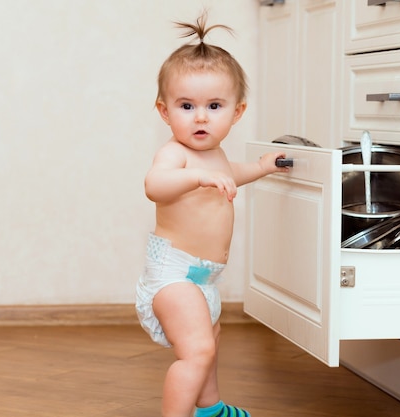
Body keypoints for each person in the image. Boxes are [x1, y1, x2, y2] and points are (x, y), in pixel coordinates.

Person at [135, 12, 289, 417]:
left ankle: (210, 408)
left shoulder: (214, 155)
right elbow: (155, 185)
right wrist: (196, 177)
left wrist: (259, 168)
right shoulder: (175, 154)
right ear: (165, 112)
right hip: (173, 274)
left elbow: (229, 174)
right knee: (197, 351)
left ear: (236, 113)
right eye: (187, 106)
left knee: (211, 341)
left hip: (204, 277)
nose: (200, 116)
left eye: (214, 105)